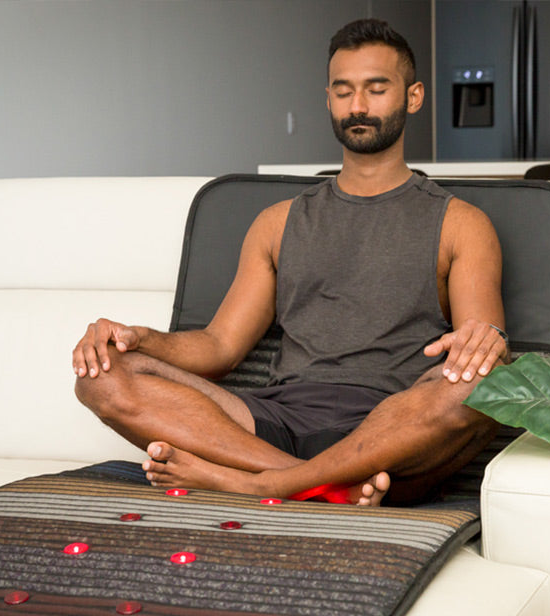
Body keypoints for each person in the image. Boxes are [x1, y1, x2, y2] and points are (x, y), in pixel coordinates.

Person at [73, 18, 508, 506]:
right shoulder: (278, 222)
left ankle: (260, 483)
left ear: (413, 96)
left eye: (376, 89)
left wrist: (486, 339)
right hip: (269, 424)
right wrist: (137, 338)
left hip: (390, 430)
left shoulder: (461, 223)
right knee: (102, 374)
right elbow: (219, 348)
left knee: (489, 378)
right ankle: (322, 484)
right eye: (343, 91)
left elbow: (478, 350)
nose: (358, 106)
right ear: (328, 99)